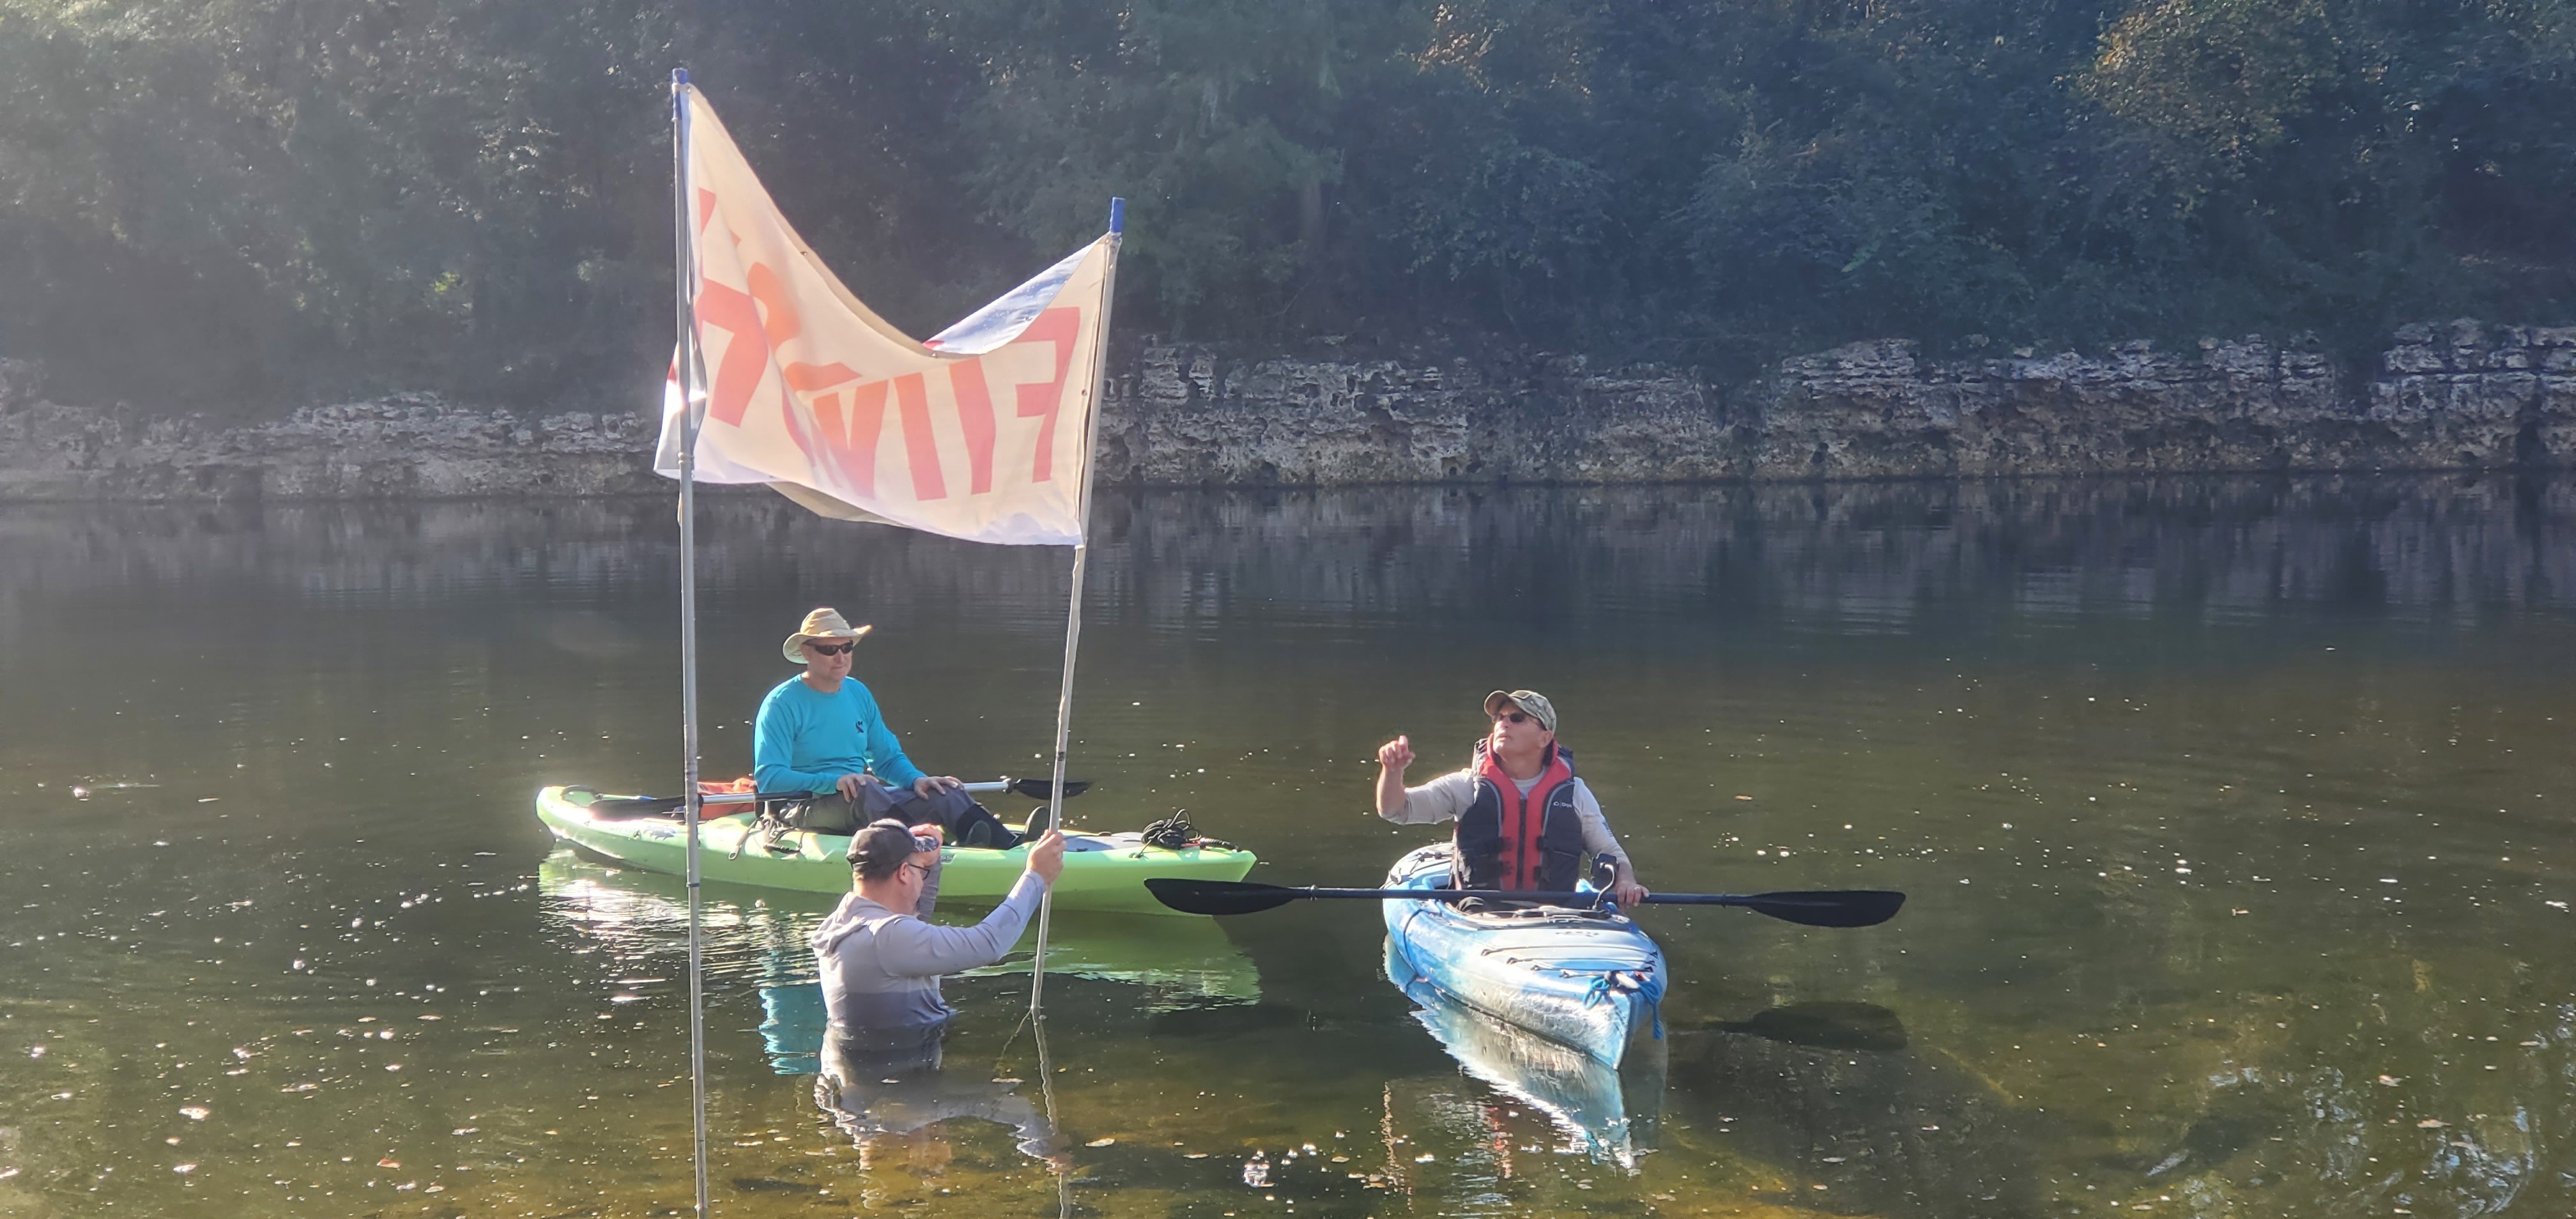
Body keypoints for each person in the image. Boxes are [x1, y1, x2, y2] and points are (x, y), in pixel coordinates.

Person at [755, 607, 1019, 847]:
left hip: (859, 800)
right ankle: (920, 844)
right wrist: (833, 782)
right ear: (806, 652)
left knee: (945, 791)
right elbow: (769, 780)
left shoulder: (858, 693)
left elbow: (886, 758)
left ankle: (1009, 845)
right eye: (829, 650)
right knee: (866, 789)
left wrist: (916, 779)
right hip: (800, 806)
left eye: (846, 647)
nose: (841, 657)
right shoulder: (781, 704)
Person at [1373, 689, 1650, 908]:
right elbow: (1396, 810)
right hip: (1479, 913)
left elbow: (1610, 852)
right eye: (1499, 718)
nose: (1504, 723)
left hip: (1557, 914)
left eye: (1517, 718)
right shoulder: (1466, 786)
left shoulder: (1575, 793)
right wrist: (1392, 771)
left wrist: (1625, 881)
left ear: (1545, 738)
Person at [810, 818, 1068, 1037]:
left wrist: (930, 866)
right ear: (903, 873)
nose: (923, 880)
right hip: (905, 1082)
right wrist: (1036, 877)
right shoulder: (887, 937)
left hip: (876, 1071)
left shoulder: (842, 925)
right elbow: (989, 943)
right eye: (920, 871)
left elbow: (914, 925)